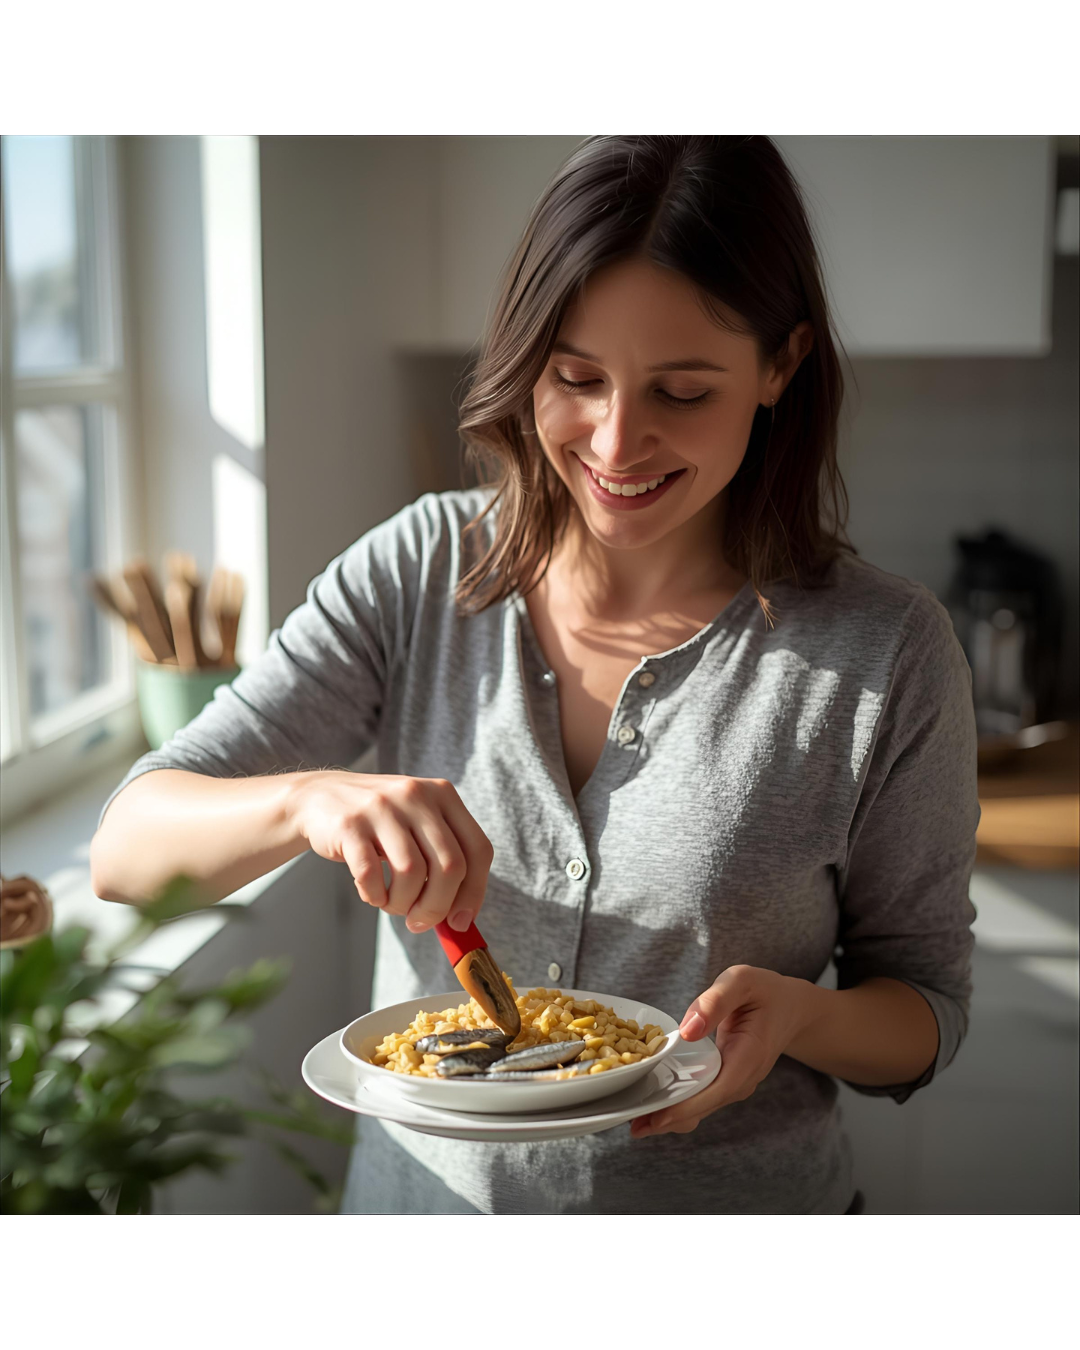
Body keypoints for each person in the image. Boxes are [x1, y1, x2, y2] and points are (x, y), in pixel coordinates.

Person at [91, 135, 979, 1214]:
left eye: (683, 392)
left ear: (780, 366)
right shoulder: (418, 572)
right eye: (575, 378)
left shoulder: (886, 651)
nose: (617, 441)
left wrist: (801, 1015)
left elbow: (925, 1008)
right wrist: (308, 799)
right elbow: (126, 851)